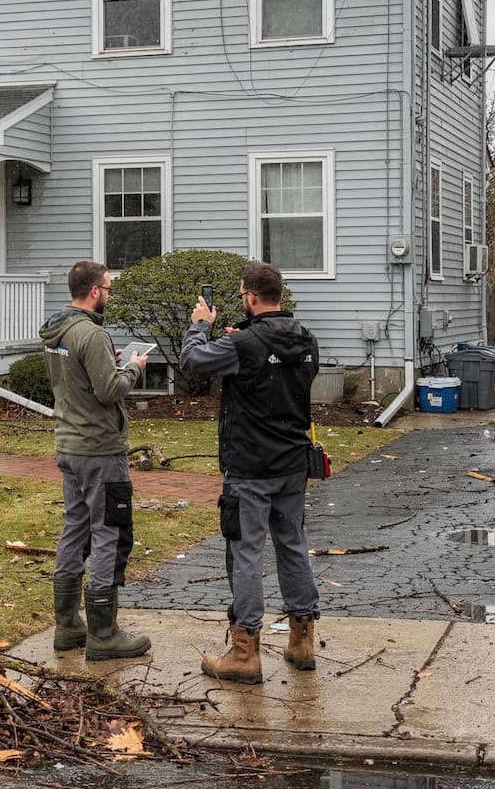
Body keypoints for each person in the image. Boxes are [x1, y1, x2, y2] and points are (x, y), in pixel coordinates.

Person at [178, 260, 320, 684]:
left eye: (242, 295)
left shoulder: (244, 345)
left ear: (251, 298)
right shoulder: (306, 339)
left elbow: (191, 360)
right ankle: (302, 639)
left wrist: (200, 326)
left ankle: (245, 651)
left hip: (250, 466)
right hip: (294, 462)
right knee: (293, 543)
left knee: (246, 551)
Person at [40, 260, 151, 661]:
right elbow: (109, 391)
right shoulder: (91, 333)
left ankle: (68, 626)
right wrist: (134, 369)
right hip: (100, 450)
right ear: (93, 291)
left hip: (69, 444)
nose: (109, 294)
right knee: (107, 531)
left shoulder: (58, 332)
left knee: (75, 527)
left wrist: (110, 360)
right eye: (107, 288)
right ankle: (103, 633)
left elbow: (81, 378)